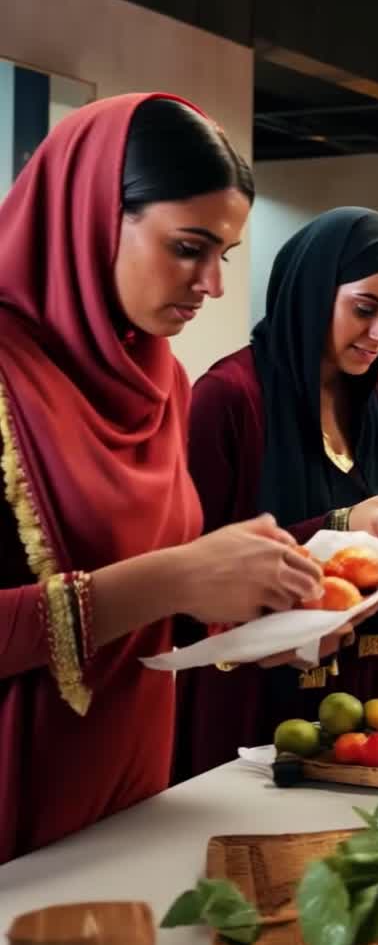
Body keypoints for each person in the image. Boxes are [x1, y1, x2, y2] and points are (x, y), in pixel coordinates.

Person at [0, 93, 325, 863]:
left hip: (130, 788)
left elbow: (155, 606)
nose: (212, 285)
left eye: (225, 256)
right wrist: (179, 577)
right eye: (188, 247)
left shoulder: (158, 381)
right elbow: (158, 580)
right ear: (90, 214)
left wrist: (256, 611)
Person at [174, 207, 378, 778]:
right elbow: (193, 568)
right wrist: (344, 524)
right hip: (250, 686)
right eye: (364, 310)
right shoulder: (230, 397)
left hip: (355, 681)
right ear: (310, 293)